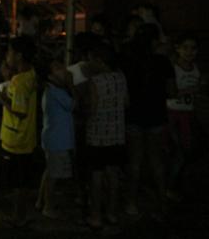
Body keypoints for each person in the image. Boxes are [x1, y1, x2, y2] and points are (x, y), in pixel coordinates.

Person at [121, 23, 176, 218]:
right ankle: (162, 201)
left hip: (134, 115)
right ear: (153, 42)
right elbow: (171, 91)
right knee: (156, 161)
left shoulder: (128, 62)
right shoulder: (163, 63)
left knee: (134, 161)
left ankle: (131, 202)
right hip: (156, 116)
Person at [82, 43, 128, 228]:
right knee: (114, 174)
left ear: (99, 61)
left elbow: (92, 109)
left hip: (97, 135)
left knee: (97, 176)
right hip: (117, 134)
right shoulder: (121, 77)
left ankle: (95, 216)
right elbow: (126, 103)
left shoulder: (95, 81)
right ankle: (112, 213)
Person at [0, 36, 38, 226]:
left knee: (17, 183)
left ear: (19, 56)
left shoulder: (19, 82)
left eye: (9, 52)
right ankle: (20, 215)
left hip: (16, 140)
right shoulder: (30, 75)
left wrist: (3, 99)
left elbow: (19, 111)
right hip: (25, 137)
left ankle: (18, 217)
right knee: (21, 182)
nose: (7, 56)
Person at [165, 33, 202, 200]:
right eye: (185, 48)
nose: (189, 52)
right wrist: (192, 90)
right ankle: (170, 185)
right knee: (179, 151)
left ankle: (178, 184)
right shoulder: (173, 68)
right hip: (173, 113)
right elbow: (169, 93)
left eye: (193, 48)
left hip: (188, 112)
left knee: (187, 151)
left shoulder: (195, 69)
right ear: (177, 48)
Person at [36, 59, 75, 219]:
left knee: (49, 172)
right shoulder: (56, 91)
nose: (64, 70)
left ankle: (41, 201)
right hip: (57, 140)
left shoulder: (51, 90)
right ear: (50, 76)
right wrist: (72, 85)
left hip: (53, 138)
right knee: (54, 175)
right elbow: (74, 105)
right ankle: (48, 207)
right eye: (58, 68)